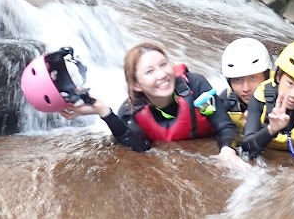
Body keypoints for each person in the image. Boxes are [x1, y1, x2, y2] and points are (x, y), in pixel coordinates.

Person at [54, 42, 246, 169]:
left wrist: (227, 149)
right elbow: (138, 146)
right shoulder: (131, 112)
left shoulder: (195, 85)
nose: (162, 75)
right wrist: (102, 111)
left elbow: (225, 125)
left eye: (163, 65)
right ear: (136, 85)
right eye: (150, 71)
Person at [220, 38, 272, 133]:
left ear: (266, 76)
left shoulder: (284, 97)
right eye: (238, 79)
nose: (246, 88)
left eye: (253, 78)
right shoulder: (227, 99)